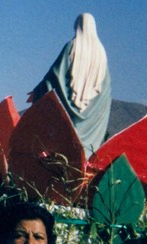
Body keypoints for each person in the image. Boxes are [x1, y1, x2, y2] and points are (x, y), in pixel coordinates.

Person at [28, 13, 111, 157]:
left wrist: (39, 90)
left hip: (66, 112)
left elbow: (55, 75)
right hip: (92, 117)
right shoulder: (101, 54)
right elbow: (105, 91)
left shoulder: (72, 46)